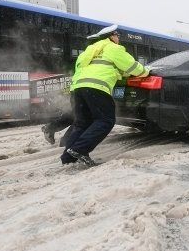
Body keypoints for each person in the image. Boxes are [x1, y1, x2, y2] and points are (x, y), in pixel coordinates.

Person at [61, 24, 149, 166]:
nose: (118, 38)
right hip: (97, 87)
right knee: (106, 120)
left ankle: (68, 158)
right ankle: (79, 150)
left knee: (82, 123)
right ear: (111, 37)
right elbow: (132, 67)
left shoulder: (87, 52)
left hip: (77, 89)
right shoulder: (113, 48)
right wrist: (145, 72)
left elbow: (104, 68)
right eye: (117, 35)